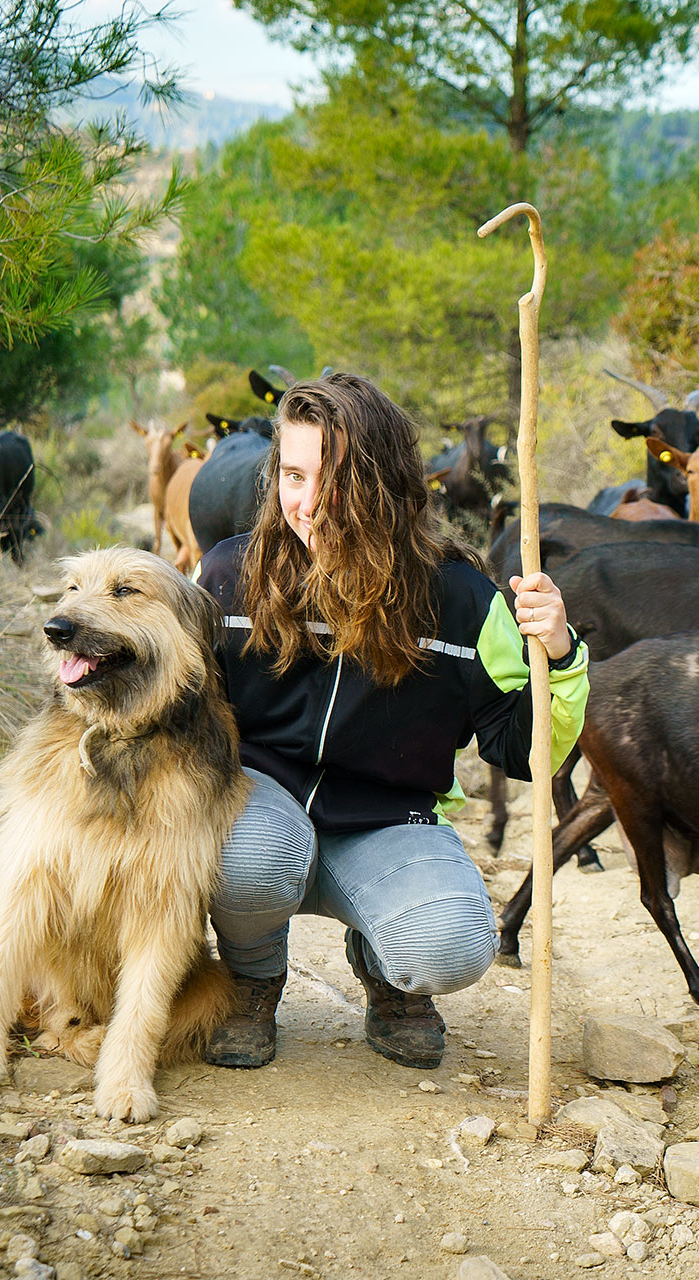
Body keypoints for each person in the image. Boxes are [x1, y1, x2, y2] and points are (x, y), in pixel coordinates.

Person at [194, 373, 588, 1070]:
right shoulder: (229, 574)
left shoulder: (462, 599)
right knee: (244, 858)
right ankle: (252, 977)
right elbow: (181, 711)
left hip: (388, 824)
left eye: (336, 481)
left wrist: (558, 655)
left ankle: (388, 976)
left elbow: (525, 750)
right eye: (293, 476)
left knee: (452, 944)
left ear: (386, 483)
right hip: (259, 811)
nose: (308, 505)